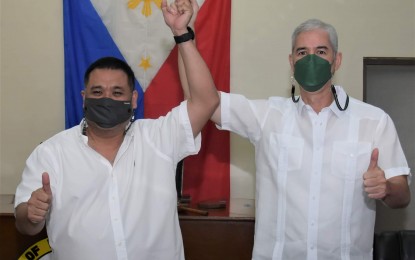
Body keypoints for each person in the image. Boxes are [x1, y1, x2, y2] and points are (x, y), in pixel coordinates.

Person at [180, 18, 411, 259]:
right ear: (292, 62)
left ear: (336, 61)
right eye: (302, 52)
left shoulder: (374, 121)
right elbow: (202, 100)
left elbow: (402, 195)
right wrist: (183, 35)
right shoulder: (267, 116)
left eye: (321, 51)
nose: (311, 59)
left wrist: (386, 188)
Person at [14, 0, 219, 259]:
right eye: (97, 92)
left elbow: (206, 101)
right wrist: (32, 214)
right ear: (83, 98)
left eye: (117, 92)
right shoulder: (51, 153)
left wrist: (183, 34)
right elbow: (24, 224)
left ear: (133, 100)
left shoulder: (158, 139)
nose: (107, 99)